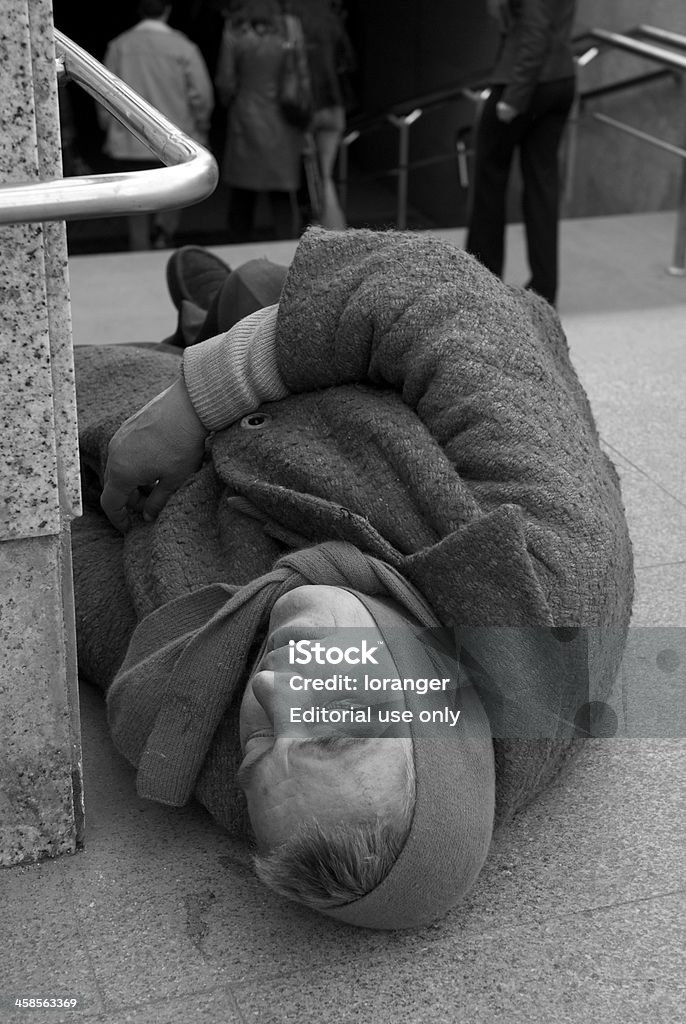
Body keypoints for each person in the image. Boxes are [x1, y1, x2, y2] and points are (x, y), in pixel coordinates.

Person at [72, 229, 633, 929]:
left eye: (258, 746)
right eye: (340, 726)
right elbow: (432, 292)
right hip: (372, 387)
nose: (276, 692)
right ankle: (221, 317)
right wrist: (199, 397)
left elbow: (67, 574)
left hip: (172, 435)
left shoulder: (247, 763)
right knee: (262, 289)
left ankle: (196, 322)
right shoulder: (548, 567)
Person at [465, 0, 577, 306]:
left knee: (489, 181)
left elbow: (536, 31)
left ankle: (480, 280)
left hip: (524, 83)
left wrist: (513, 98)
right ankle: (544, 289)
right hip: (559, 79)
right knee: (542, 184)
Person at [99, 0, 214, 250]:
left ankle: (139, 245)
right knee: (173, 192)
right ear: (168, 9)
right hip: (174, 139)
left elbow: (103, 92)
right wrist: (201, 126)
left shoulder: (120, 46)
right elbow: (202, 95)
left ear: (139, 10)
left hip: (129, 138)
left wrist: (108, 126)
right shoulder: (184, 47)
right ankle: (164, 232)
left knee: (134, 196)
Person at [214, 0, 310, 241]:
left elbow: (225, 81)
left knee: (243, 193)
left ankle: (238, 250)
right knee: (282, 191)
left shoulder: (235, 29)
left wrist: (232, 99)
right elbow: (303, 74)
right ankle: (288, 249)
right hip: (284, 118)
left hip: (246, 115)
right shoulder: (290, 27)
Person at [291, 0, 357, 230]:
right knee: (325, 175)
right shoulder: (331, 21)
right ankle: (335, 230)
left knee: (308, 174)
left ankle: (317, 230)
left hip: (306, 107)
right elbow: (348, 62)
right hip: (333, 103)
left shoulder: (291, 21)